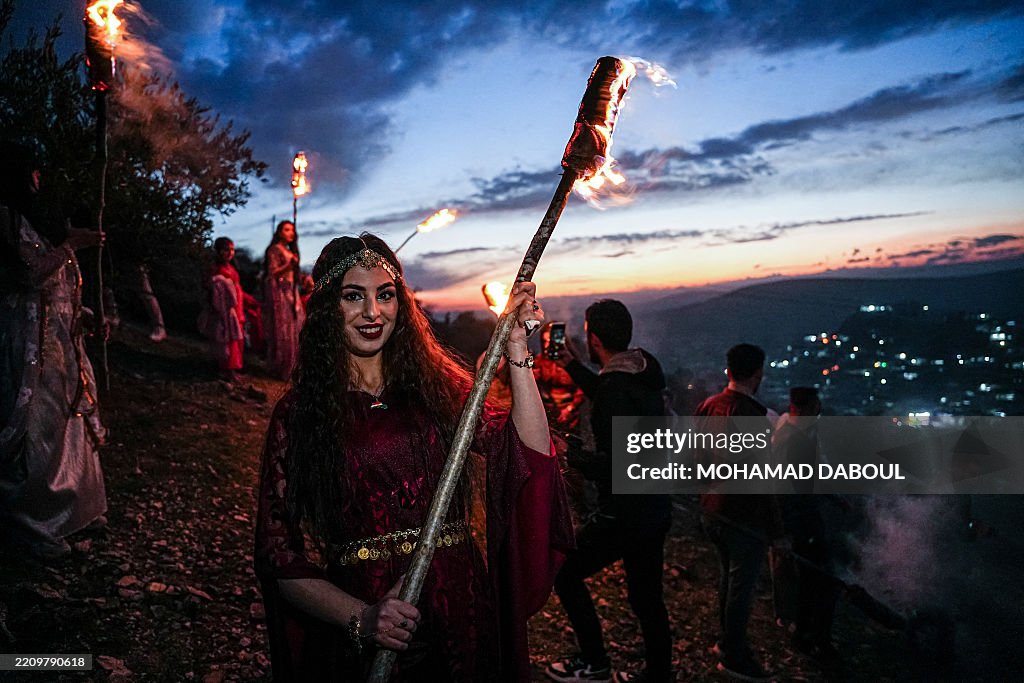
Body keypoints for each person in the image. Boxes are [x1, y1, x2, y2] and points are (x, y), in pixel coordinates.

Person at [253, 234, 573, 681]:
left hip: (462, 603)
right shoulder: (300, 413)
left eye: (385, 295)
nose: (372, 312)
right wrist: (362, 618)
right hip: (373, 611)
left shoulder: (435, 387)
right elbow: (278, 554)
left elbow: (530, 451)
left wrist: (517, 350)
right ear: (328, 308)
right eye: (353, 297)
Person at [545, 300, 673, 683]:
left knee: (565, 573)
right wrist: (571, 365)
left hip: (625, 511)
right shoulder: (640, 371)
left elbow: (619, 465)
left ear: (594, 337)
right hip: (653, 506)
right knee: (647, 598)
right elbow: (608, 391)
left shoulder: (617, 388)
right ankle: (658, 674)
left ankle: (595, 662)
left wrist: (574, 454)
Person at [0, 140, 108, 561]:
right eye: (33, 171)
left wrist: (89, 315)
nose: (39, 179)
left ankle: (73, 508)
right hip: (26, 341)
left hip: (59, 341)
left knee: (68, 424)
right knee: (37, 428)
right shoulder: (4, 220)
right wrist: (72, 247)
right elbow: (31, 275)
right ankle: (32, 522)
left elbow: (59, 289)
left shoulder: (33, 222)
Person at [695, 343, 783, 682]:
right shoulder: (758, 418)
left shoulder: (707, 407)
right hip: (744, 517)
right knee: (740, 588)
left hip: (713, 510)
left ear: (728, 370)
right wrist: (778, 534)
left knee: (727, 580)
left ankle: (726, 642)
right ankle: (733, 655)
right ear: (758, 373)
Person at [771, 387, 840, 662]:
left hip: (803, 517)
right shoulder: (791, 439)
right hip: (799, 521)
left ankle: (807, 632)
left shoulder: (794, 432)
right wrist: (783, 530)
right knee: (817, 579)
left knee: (813, 580)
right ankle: (811, 637)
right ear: (811, 406)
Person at [263, 220, 304, 380]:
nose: (291, 233)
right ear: (279, 232)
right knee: (284, 328)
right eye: (287, 229)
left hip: (292, 292)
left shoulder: (289, 251)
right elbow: (272, 272)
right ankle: (282, 366)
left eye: (292, 230)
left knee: (295, 327)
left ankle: (294, 366)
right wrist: (289, 265)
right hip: (281, 292)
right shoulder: (274, 249)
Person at [201, 237, 245, 382]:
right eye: (226, 249)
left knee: (235, 337)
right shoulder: (215, 268)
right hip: (224, 308)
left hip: (236, 306)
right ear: (219, 251)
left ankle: (233, 367)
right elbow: (211, 286)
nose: (230, 253)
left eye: (232, 249)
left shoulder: (232, 268)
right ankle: (225, 368)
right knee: (226, 337)